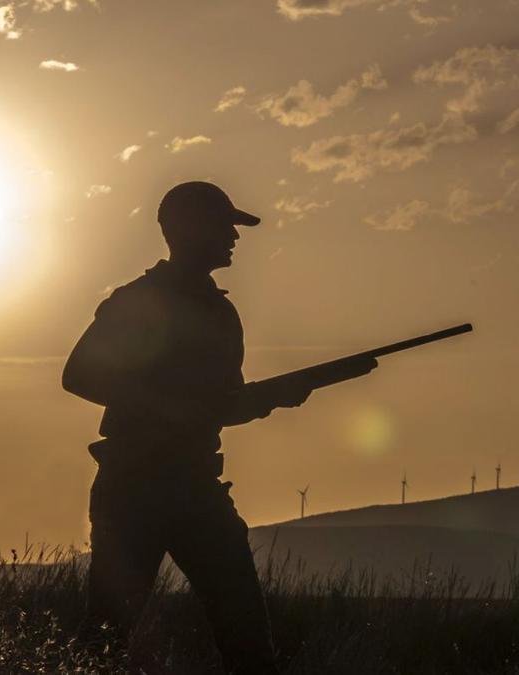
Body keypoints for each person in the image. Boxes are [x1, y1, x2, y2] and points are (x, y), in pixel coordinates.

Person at [62, 181, 375, 674]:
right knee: (104, 641)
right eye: (223, 225)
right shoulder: (138, 301)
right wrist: (170, 409)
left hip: (196, 486)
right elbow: (78, 375)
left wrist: (274, 398)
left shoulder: (221, 311)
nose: (233, 237)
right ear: (186, 230)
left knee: (247, 637)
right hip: (132, 489)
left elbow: (223, 406)